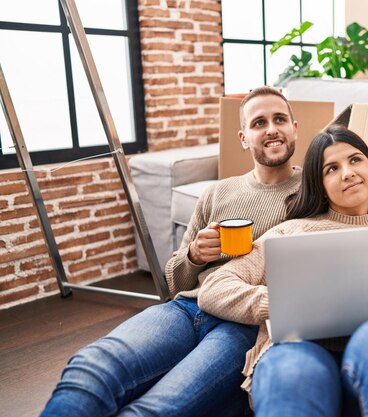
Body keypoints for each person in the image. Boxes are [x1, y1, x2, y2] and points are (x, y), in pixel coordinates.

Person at [41, 86, 303, 417]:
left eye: (280, 119)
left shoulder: (311, 192)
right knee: (88, 369)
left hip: (244, 326)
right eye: (259, 123)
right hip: (184, 310)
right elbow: (174, 282)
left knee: (157, 408)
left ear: (294, 128)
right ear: (243, 138)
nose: (271, 129)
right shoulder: (217, 192)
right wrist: (195, 254)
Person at [197, 125, 368, 417]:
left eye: (355, 160)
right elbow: (214, 287)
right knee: (294, 370)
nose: (347, 172)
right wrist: (283, 302)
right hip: (299, 351)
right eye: (331, 169)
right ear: (319, 185)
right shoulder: (290, 231)